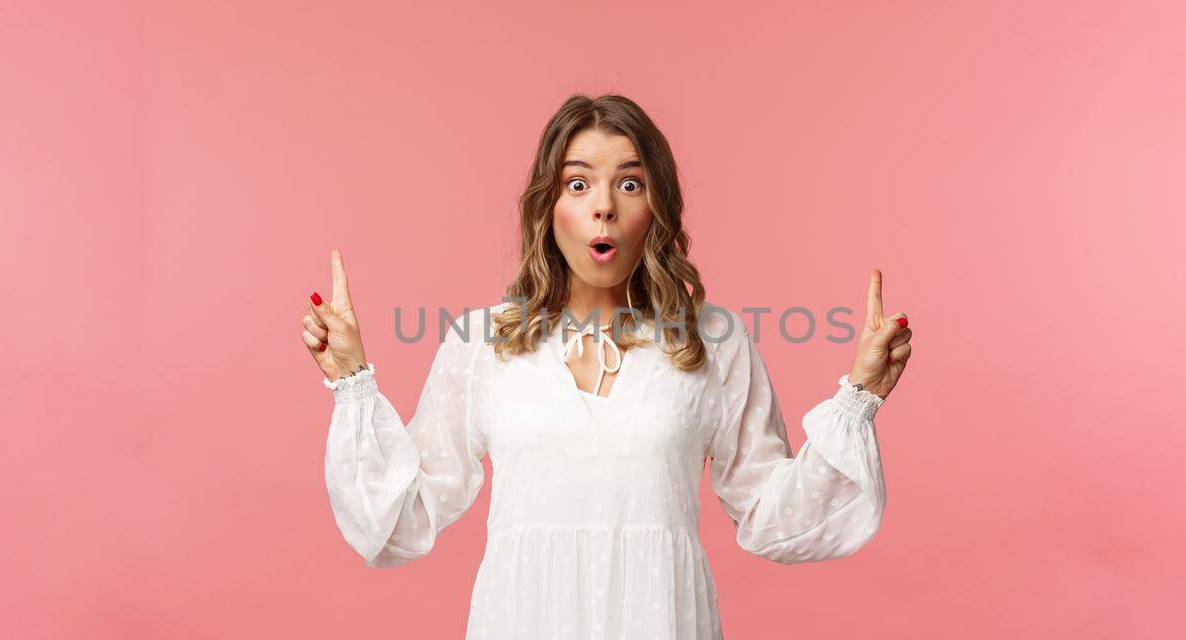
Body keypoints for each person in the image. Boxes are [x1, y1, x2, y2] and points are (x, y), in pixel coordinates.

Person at [298, 94, 913, 639]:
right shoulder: (481, 342)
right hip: (523, 618)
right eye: (577, 184)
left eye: (628, 183)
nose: (603, 209)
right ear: (548, 208)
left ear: (657, 207)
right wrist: (351, 381)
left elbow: (775, 515)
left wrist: (858, 395)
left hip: (663, 619)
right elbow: (403, 519)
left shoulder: (714, 340)